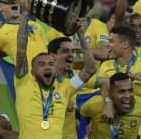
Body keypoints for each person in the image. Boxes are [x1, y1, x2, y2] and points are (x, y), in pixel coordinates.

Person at [14, 8, 96, 139]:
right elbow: (20, 51)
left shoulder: (65, 89)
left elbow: (90, 69)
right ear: (33, 72)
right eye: (41, 64)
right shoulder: (24, 83)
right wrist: (24, 14)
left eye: (51, 64)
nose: (47, 67)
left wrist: (80, 34)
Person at [0, 3, 48, 74]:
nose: (13, 2)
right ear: (0, 7)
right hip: (30, 81)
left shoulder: (36, 25)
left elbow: (49, 51)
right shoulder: (0, 33)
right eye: (7, 0)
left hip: (53, 79)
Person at [99, 26, 141, 119]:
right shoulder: (105, 65)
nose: (107, 45)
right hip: (110, 124)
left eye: (111, 41)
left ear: (125, 44)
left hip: (136, 127)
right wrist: (132, 77)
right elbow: (100, 86)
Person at [80, 72, 141, 139]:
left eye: (130, 90)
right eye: (122, 91)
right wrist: (91, 123)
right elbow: (80, 113)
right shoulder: (96, 104)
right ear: (110, 93)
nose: (127, 96)